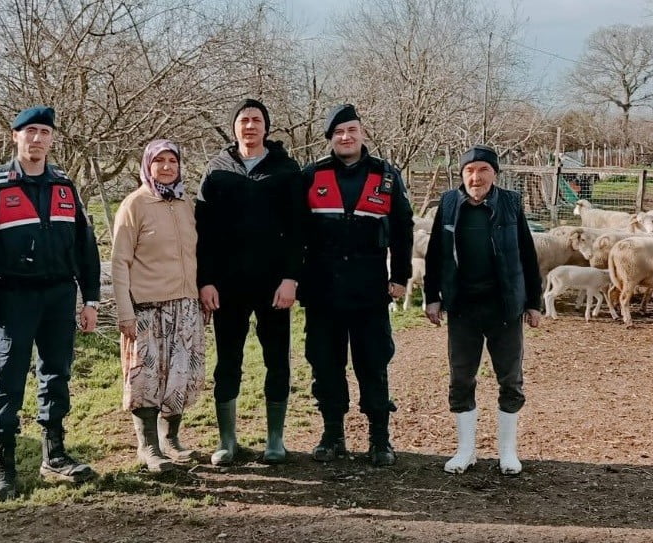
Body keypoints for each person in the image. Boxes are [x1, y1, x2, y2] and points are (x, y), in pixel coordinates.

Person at [0, 106, 101, 501]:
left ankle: (54, 455)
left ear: (52, 139)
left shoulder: (65, 186)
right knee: (7, 379)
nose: (37, 138)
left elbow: (85, 248)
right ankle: (2, 468)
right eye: (30, 131)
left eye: (44, 131)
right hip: (13, 297)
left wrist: (90, 299)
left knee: (56, 374)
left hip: (59, 296)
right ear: (15, 136)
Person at [300, 104, 413, 467]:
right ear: (330, 138)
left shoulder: (386, 176)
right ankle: (332, 434)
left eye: (351, 130)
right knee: (325, 363)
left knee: (373, 362)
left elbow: (403, 229)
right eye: (338, 133)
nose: (345, 137)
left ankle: (380, 438)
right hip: (323, 291)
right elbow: (294, 233)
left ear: (362, 133)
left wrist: (400, 277)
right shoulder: (312, 175)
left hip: (369, 290)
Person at [196, 98, 303, 466]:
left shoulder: (287, 170)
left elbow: (297, 230)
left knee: (277, 359)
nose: (250, 126)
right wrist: (206, 280)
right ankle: (228, 440)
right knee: (228, 359)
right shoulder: (217, 170)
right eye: (244, 120)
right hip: (227, 287)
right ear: (234, 127)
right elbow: (203, 232)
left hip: (273, 284)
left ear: (266, 128)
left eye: (256, 120)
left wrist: (291, 278)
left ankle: (276, 438)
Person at [423, 144, 542, 476]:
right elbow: (435, 253)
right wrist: (432, 296)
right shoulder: (448, 203)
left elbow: (527, 255)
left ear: (495, 173)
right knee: (461, 378)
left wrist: (534, 302)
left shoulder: (510, 203)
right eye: (469, 171)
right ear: (462, 174)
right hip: (462, 306)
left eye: (483, 170)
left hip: (504, 306)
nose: (476, 177)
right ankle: (465, 450)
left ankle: (507, 452)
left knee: (510, 378)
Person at [111, 139, 206, 473]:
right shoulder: (134, 205)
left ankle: (172, 439)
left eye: (173, 161)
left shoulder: (184, 205)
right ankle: (148, 446)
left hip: (184, 305)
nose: (166, 167)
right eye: (159, 161)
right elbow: (119, 262)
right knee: (146, 379)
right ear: (147, 165)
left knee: (180, 375)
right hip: (147, 308)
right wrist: (125, 311)